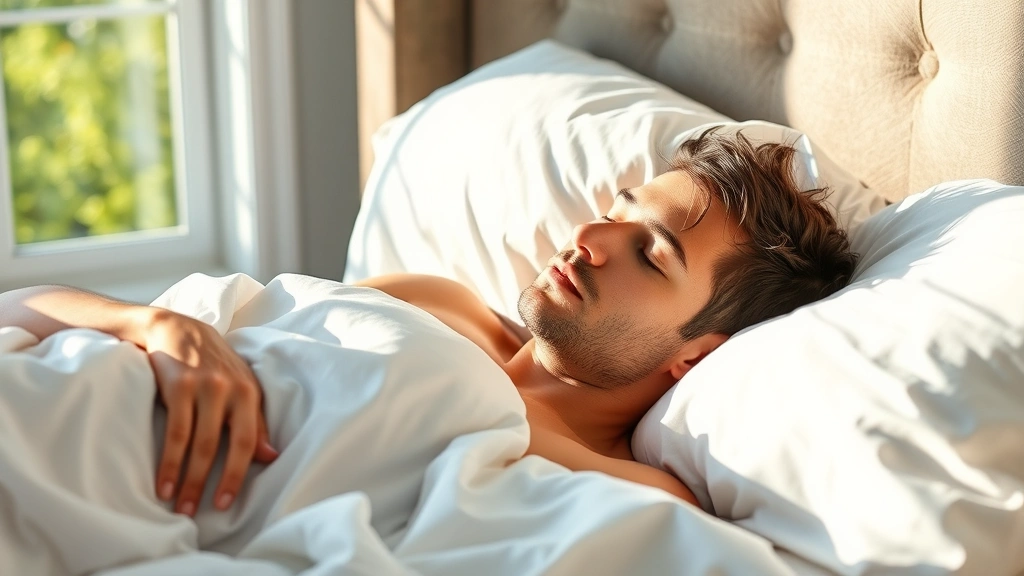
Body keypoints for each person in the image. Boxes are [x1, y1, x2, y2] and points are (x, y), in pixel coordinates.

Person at [0, 128, 857, 516]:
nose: (591, 238)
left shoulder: (635, 490)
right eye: (619, 211)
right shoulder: (438, 302)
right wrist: (159, 326)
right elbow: (22, 309)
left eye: (652, 254)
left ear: (695, 357)